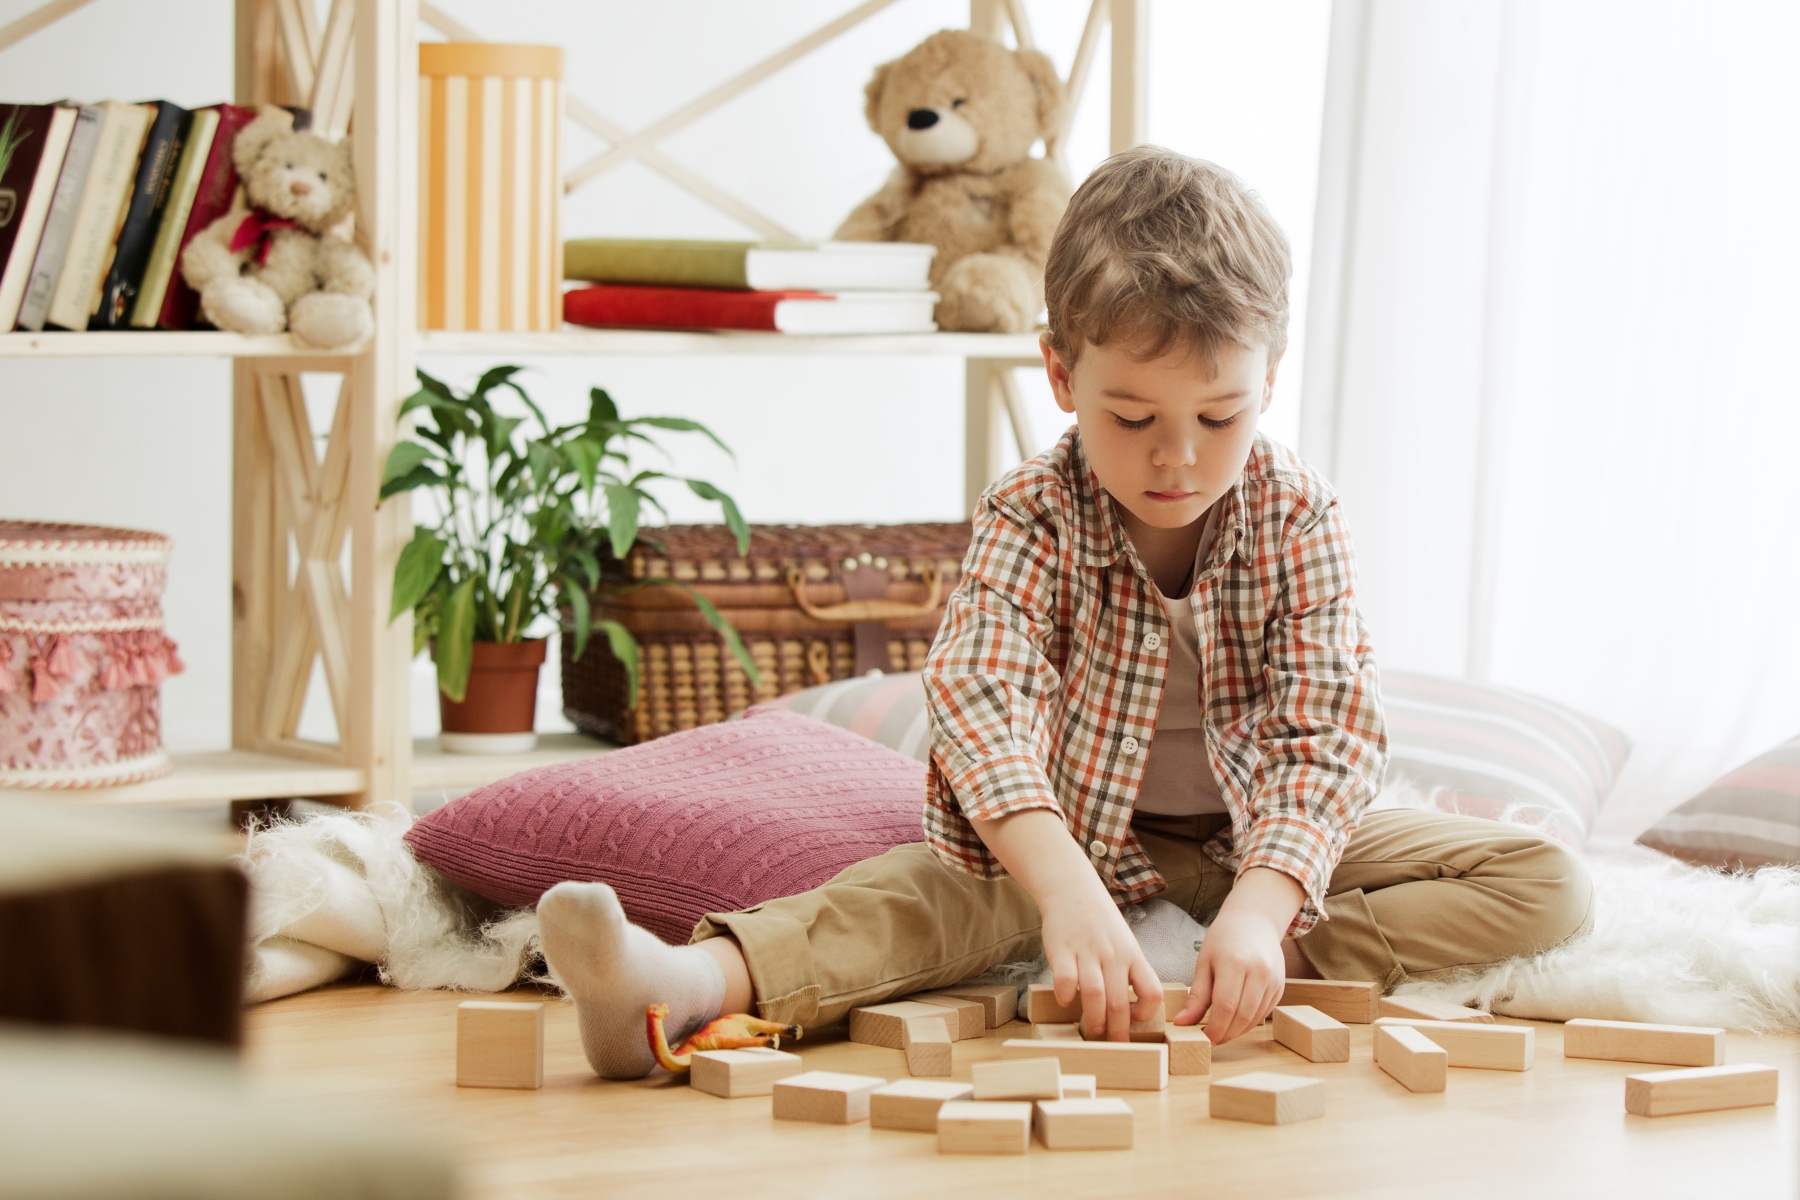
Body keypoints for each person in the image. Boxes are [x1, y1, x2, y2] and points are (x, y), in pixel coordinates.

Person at [538, 146, 1595, 1079]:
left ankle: (1227, 961)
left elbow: (1326, 733)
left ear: (1271, 380)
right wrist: (1067, 892)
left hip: (1251, 840)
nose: (1176, 455)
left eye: (1217, 415)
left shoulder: (1298, 514)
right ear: (1059, 372)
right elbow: (982, 703)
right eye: (1131, 417)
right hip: (1077, 835)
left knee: (1542, 880)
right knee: (915, 898)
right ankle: (681, 987)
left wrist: (1267, 913)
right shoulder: (1031, 515)